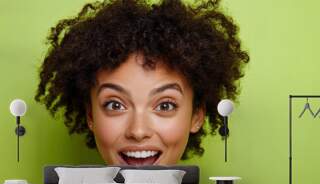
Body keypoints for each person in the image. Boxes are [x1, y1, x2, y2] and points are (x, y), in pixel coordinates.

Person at [35, 0, 249, 165]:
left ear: (196, 117)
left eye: (165, 105)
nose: (138, 131)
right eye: (115, 105)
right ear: (91, 116)